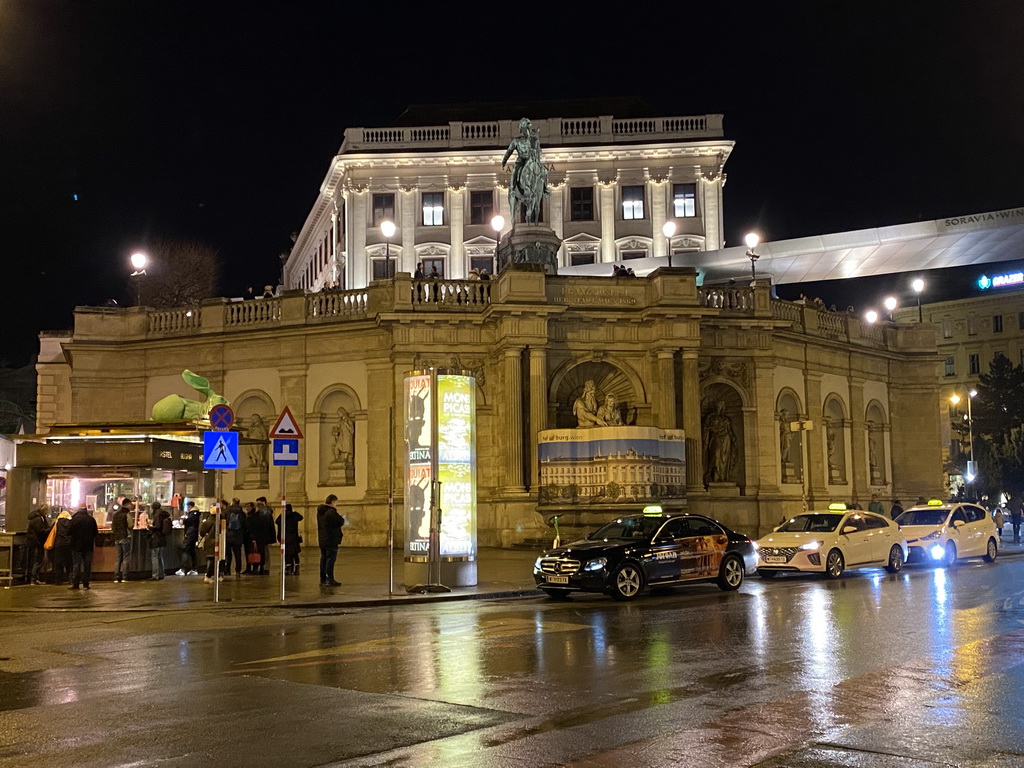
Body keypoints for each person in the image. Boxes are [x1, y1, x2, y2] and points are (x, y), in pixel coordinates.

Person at [703, 400, 737, 484]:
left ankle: (722, 477)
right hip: (715, 438)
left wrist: (733, 438)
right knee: (715, 456)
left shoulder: (726, 419)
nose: (720, 408)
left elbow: (729, 430)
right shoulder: (710, 417)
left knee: (724, 459)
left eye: (721, 407)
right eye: (718, 406)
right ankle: (713, 476)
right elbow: (706, 428)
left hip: (726, 439)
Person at [68, 505, 98, 590]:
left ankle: (76, 584)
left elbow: (68, 531)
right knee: (87, 565)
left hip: (76, 545)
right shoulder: (91, 519)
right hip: (88, 546)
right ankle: (86, 584)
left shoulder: (74, 519)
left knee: (76, 565)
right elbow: (95, 532)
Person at [317, 494, 345, 586]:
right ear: (333, 502)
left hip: (323, 538)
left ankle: (323, 578)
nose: (336, 504)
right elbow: (340, 522)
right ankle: (330, 579)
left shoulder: (320, 512)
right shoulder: (331, 512)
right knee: (330, 559)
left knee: (324, 558)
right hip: (331, 539)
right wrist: (342, 518)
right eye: (336, 502)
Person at [25, 504, 51, 585]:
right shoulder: (38, 519)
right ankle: (34, 579)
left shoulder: (39, 518)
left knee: (37, 561)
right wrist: (50, 529)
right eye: (46, 510)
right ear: (43, 510)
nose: (47, 512)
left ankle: (35, 578)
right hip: (37, 543)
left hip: (36, 542)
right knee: (37, 561)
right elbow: (41, 531)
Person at [276, 503, 304, 575]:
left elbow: (277, 522)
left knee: (287, 554)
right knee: (295, 554)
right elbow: (301, 517)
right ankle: (296, 569)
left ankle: (288, 568)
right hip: (294, 538)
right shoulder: (294, 515)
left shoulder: (283, 516)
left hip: (286, 538)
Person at [111, 498, 134, 583]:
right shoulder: (127, 514)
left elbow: (113, 526)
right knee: (126, 558)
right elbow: (130, 525)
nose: (132, 506)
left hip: (117, 538)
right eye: (131, 504)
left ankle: (116, 576)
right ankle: (125, 576)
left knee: (118, 558)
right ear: (127, 504)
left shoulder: (115, 514)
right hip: (125, 536)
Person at [148, 501, 172, 580]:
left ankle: (155, 575)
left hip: (156, 538)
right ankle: (161, 574)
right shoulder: (163, 514)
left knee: (154, 556)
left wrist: (149, 527)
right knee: (159, 556)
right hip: (162, 538)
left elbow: (157, 526)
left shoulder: (157, 514)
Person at [253, 497, 277, 575]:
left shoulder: (265, 511)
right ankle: (263, 567)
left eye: (259, 503)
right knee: (262, 551)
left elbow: (263, 523)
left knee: (265, 551)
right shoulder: (261, 511)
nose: (258, 505)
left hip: (264, 535)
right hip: (262, 534)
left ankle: (265, 567)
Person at [177, 501, 201, 575]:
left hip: (190, 534)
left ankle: (183, 569)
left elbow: (189, 521)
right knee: (191, 551)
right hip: (193, 535)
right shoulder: (195, 513)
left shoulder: (194, 513)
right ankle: (194, 568)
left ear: (190, 506)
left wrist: (183, 521)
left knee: (184, 549)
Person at [199, 505, 222, 583]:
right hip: (219, 541)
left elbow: (202, 532)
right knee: (218, 559)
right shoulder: (221, 521)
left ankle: (208, 575)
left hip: (209, 541)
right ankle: (218, 575)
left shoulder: (207, 521)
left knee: (210, 558)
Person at [224, 499, 246, 577]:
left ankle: (227, 570)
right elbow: (244, 525)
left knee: (228, 554)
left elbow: (224, 523)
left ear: (232, 502)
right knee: (238, 554)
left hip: (228, 535)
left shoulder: (226, 511)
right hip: (238, 536)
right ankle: (238, 570)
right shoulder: (242, 513)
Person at [52, 510, 73, 585]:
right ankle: (71, 580)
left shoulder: (56, 523)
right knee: (70, 564)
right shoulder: (71, 523)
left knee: (58, 564)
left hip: (59, 544)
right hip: (69, 544)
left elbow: (51, 532)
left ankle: (58, 581)